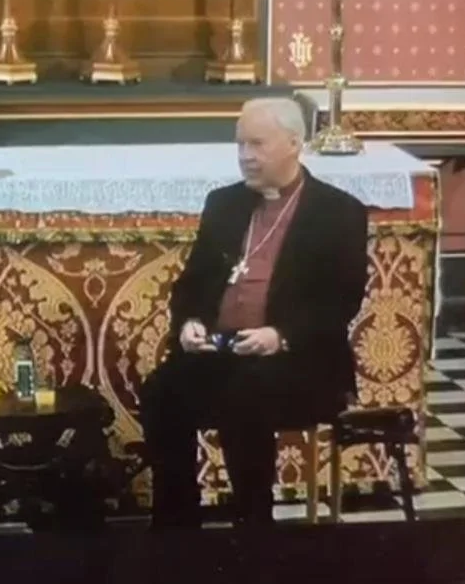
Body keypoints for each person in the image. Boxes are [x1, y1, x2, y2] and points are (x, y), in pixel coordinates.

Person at [139, 97, 369, 529]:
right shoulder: (223, 204)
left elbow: (341, 300)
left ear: (294, 143)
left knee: (245, 393)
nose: (246, 156)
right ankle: (177, 526)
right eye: (240, 144)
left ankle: (254, 526)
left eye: (257, 144)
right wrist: (189, 324)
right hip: (222, 352)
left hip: (300, 361)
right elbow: (191, 285)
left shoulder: (338, 213)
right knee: (162, 391)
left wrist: (279, 335)